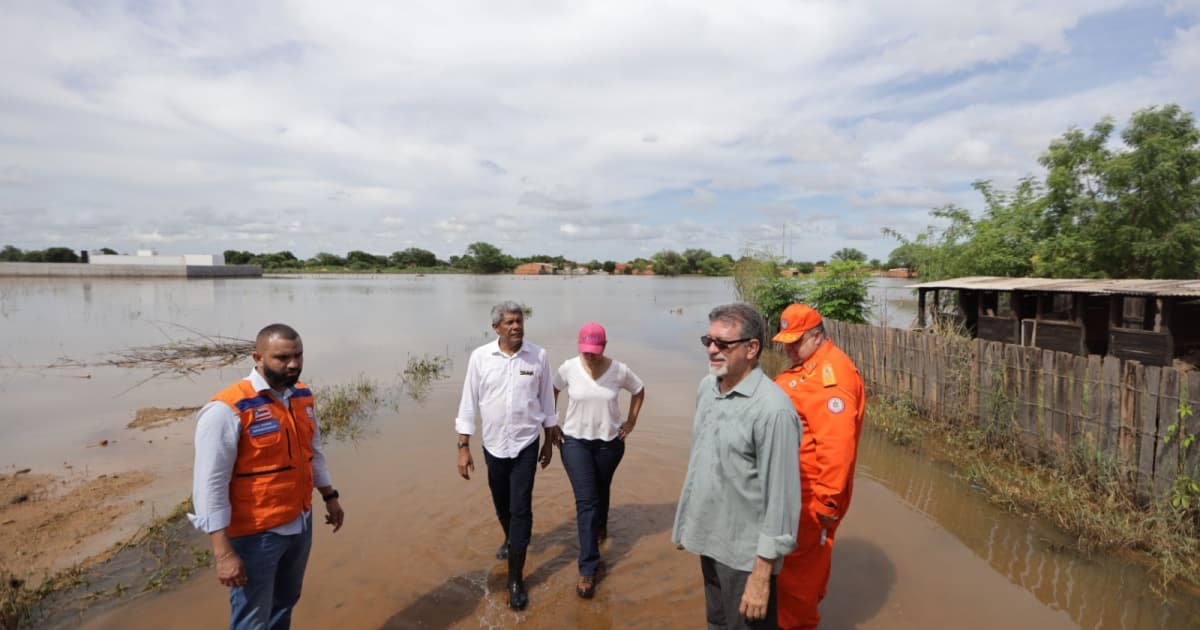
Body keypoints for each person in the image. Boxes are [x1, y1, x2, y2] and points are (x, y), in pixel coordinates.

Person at [188, 323, 345, 630]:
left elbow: (313, 451)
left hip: (299, 524)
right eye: (282, 357)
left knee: (284, 604)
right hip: (256, 536)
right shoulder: (227, 409)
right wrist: (223, 554)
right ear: (257, 357)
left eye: (298, 356)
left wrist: (329, 496)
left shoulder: (301, 396)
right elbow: (209, 486)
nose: (293, 364)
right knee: (252, 620)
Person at [673, 302, 802, 630]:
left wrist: (761, 576)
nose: (712, 350)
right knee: (716, 623)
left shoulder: (773, 411)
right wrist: (687, 524)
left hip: (745, 557)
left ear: (752, 348)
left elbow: (782, 501)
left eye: (723, 344)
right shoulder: (707, 388)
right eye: (708, 341)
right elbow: (702, 464)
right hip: (709, 540)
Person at [454, 301, 558, 611]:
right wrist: (463, 446)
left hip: (526, 443)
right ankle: (509, 539)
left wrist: (549, 440)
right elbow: (469, 402)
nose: (516, 327)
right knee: (502, 504)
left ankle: (515, 579)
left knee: (521, 508)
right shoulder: (481, 358)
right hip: (493, 445)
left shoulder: (538, 356)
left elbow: (546, 402)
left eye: (519, 321)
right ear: (496, 328)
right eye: (509, 322)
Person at [770, 304, 866, 630]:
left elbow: (837, 446)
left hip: (811, 496)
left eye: (795, 342)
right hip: (795, 490)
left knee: (798, 575)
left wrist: (826, 502)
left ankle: (796, 624)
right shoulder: (808, 366)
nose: (788, 348)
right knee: (796, 567)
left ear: (816, 335)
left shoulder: (832, 378)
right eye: (785, 341)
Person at [552, 322, 645, 599]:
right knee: (587, 501)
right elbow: (551, 391)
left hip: (609, 444)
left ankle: (601, 526)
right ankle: (588, 567)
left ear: (604, 347)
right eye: (585, 351)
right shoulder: (568, 368)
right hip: (574, 442)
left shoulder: (619, 370)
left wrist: (631, 422)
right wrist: (552, 423)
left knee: (600, 492)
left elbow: (639, 391)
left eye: (595, 350)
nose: (590, 356)